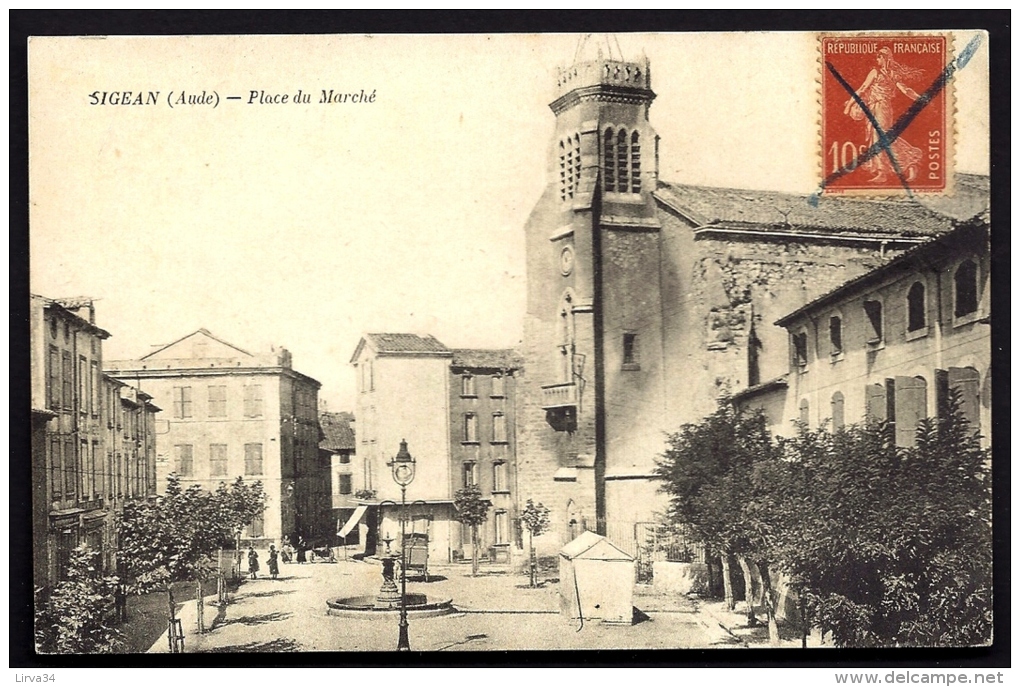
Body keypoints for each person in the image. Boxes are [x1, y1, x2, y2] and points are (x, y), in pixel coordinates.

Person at [843, 46, 924, 184]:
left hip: (883, 108)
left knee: (880, 138)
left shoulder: (887, 74)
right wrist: (850, 104)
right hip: (875, 107)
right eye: (877, 57)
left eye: (879, 57)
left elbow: (905, 89)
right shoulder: (878, 72)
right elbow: (863, 89)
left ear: (885, 58)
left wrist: (921, 98)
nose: (877, 60)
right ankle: (909, 164)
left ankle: (883, 173)